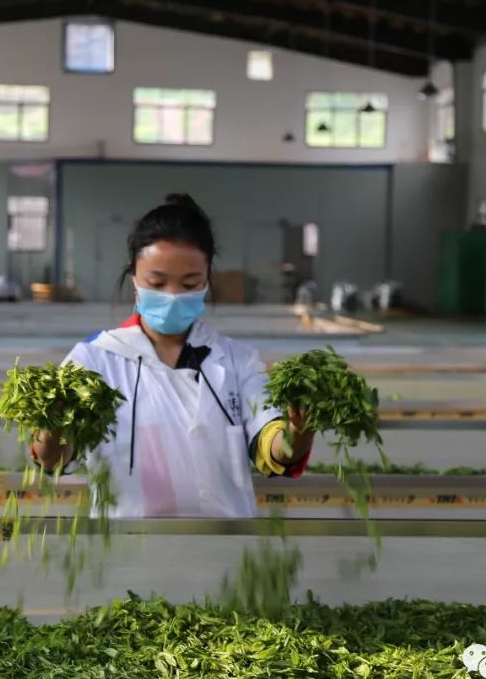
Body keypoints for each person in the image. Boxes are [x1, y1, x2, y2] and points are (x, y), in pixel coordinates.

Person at [31, 194, 313, 518]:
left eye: (190, 283)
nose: (173, 296)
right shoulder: (94, 361)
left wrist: (298, 432)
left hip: (229, 543)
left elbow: (273, 447)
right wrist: (52, 425)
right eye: (157, 282)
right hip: (128, 544)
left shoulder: (237, 360)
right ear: (135, 278)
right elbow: (53, 460)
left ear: (207, 280)